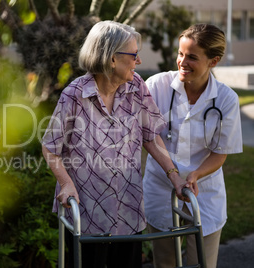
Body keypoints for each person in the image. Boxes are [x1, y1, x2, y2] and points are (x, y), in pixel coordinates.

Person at [42, 20, 189, 268]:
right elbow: (50, 147)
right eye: (133, 55)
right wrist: (65, 183)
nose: (138, 61)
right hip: (86, 214)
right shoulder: (75, 95)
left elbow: (151, 135)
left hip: (128, 210)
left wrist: (173, 175)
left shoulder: (136, 87)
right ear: (111, 59)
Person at [143, 23, 243, 268]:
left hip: (204, 193)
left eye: (192, 57)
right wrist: (174, 174)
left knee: (203, 262)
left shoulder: (226, 99)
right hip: (161, 186)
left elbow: (220, 153)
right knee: (165, 261)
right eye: (180, 54)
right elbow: (149, 135)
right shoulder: (157, 86)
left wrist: (196, 174)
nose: (182, 62)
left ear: (214, 61)